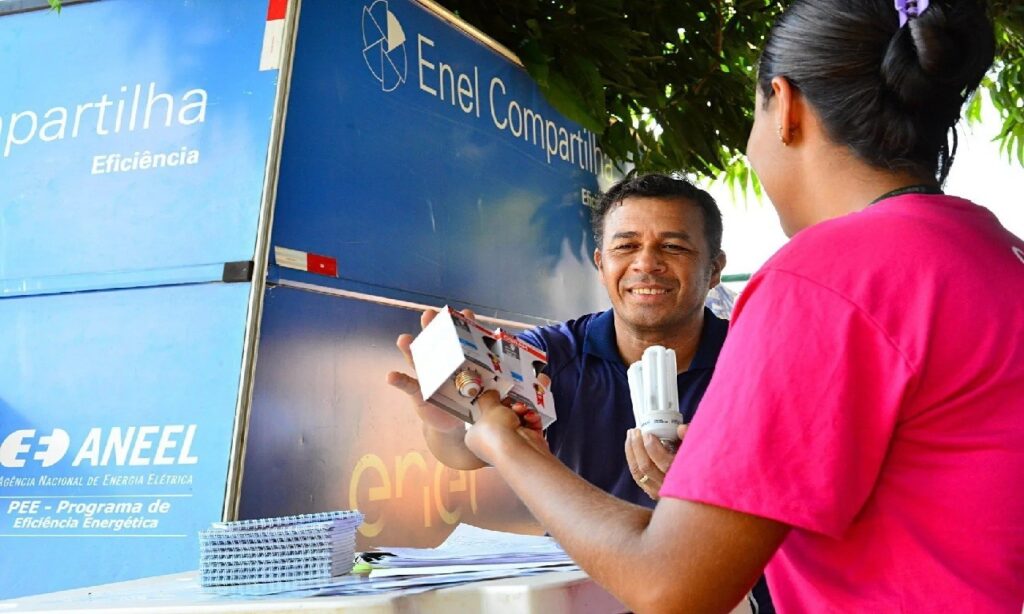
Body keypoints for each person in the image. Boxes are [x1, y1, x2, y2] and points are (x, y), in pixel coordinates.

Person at [457, 0, 1024, 612]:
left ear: (784, 106)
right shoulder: (992, 250)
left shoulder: (827, 277)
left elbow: (670, 584)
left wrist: (506, 446)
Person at [387, 172, 729, 506]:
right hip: (577, 564)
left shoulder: (752, 362)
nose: (647, 263)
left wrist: (705, 495)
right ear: (601, 264)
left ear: (714, 269)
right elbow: (468, 453)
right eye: (626, 246)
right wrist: (451, 422)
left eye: (673, 246)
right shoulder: (546, 355)